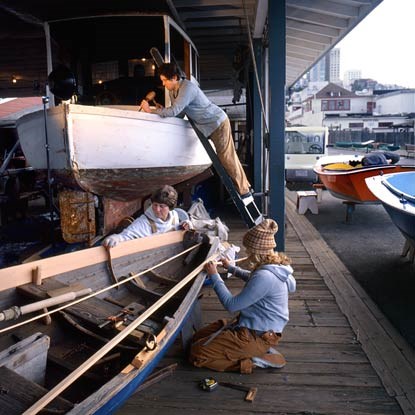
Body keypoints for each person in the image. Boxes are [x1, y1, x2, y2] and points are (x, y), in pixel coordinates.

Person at [188, 219, 296, 374]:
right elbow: (254, 279)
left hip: (257, 335)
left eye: (248, 250)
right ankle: (252, 352)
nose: (246, 253)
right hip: (251, 326)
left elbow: (231, 305)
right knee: (196, 339)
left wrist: (215, 276)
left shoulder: (266, 276)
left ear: (255, 252)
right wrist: (231, 268)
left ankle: (253, 361)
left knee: (196, 354)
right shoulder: (276, 267)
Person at [139, 63, 251, 197]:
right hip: (207, 125)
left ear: (174, 77)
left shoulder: (187, 88)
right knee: (226, 157)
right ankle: (244, 186)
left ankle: (244, 190)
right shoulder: (173, 91)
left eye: (164, 80)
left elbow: (174, 111)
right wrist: (161, 110)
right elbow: (179, 112)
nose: (163, 84)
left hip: (217, 122)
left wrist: (150, 112)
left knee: (226, 157)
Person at [103, 185, 192, 248]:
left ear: (170, 208)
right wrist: (116, 238)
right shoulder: (144, 222)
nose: (157, 209)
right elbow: (128, 234)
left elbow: (176, 228)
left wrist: (184, 225)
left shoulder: (174, 216)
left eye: (161, 206)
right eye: (155, 205)